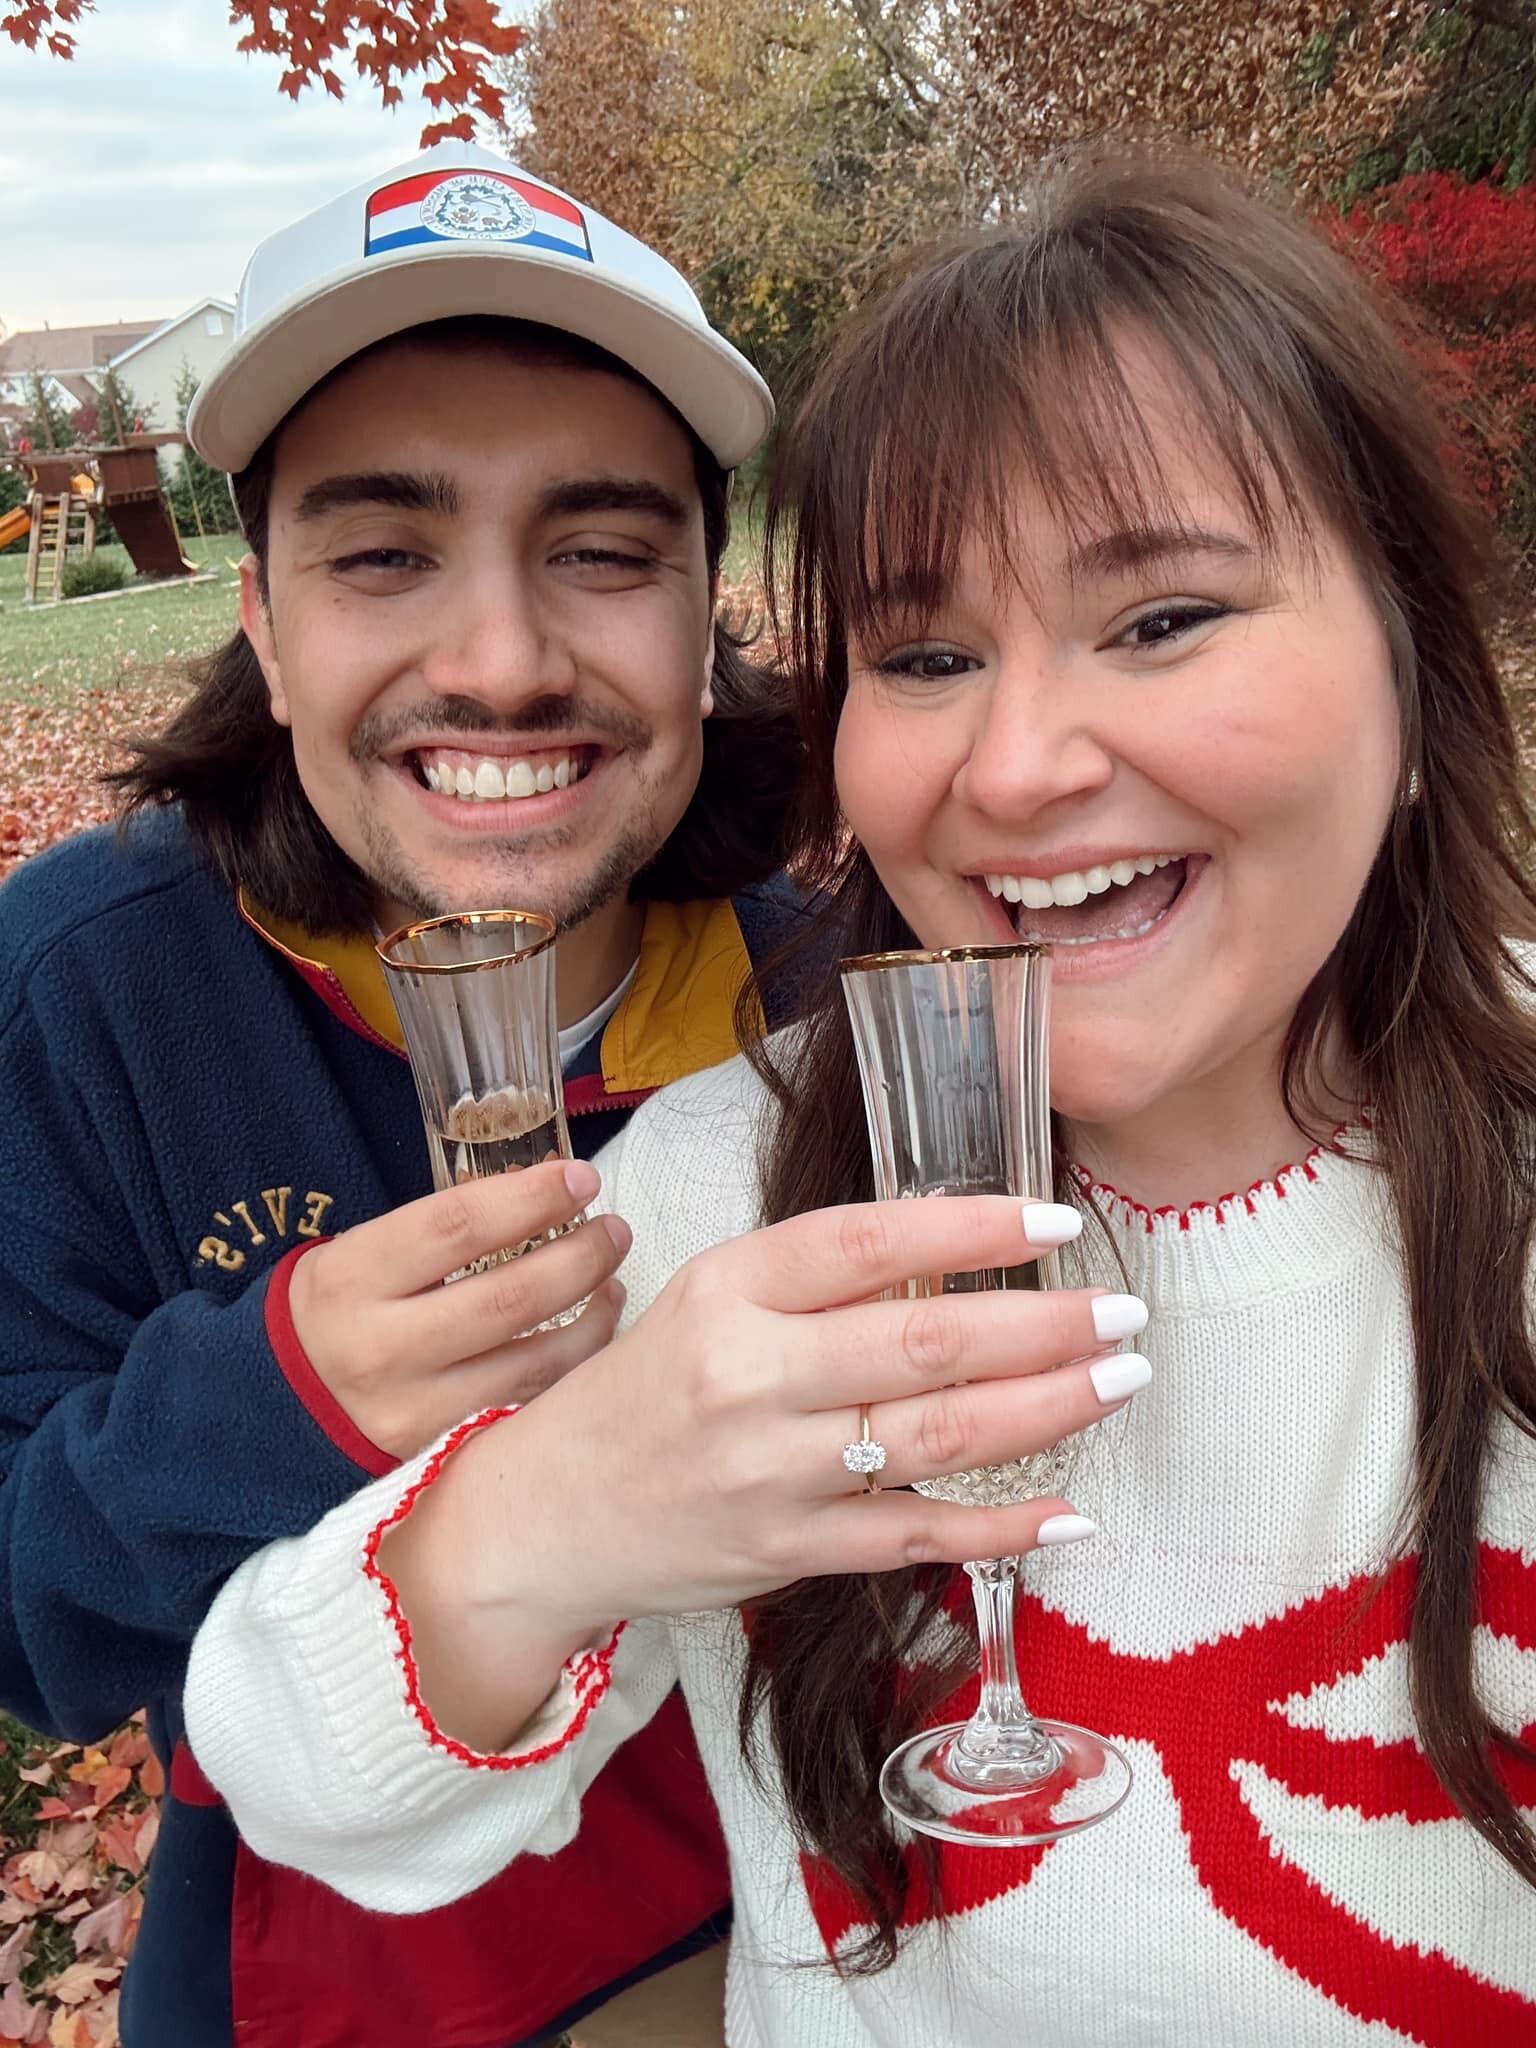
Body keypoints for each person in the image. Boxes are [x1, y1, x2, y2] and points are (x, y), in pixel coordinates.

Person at [184, 146, 1536, 2041]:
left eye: (1163, 617)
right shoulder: (724, 1200)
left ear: (1414, 666)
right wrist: (555, 1510)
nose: (1021, 763)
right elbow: (297, 1769)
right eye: (926, 654)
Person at [0, 141, 804, 2048]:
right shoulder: (85, 991)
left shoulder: (843, 1000)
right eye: (382, 554)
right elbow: (30, 1620)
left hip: (817, 1945)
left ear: (706, 617)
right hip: (327, 1995)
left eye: (602, 552)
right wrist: (278, 1396)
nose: (504, 663)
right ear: (267, 630)